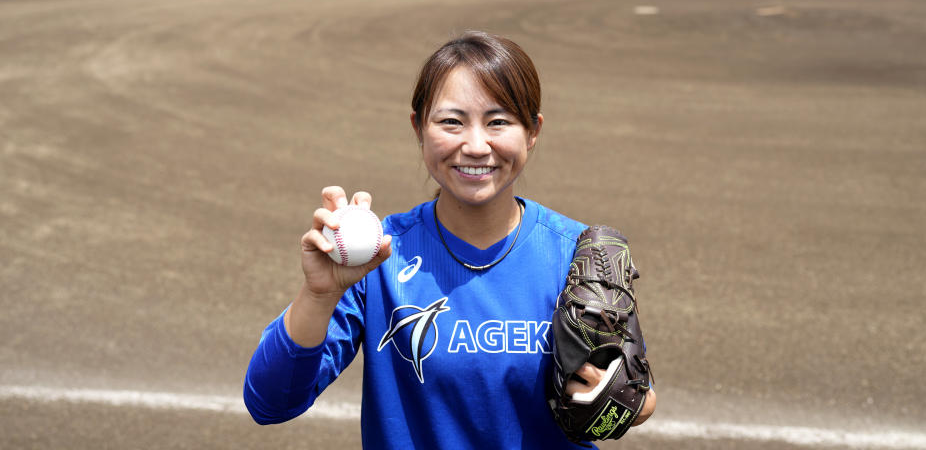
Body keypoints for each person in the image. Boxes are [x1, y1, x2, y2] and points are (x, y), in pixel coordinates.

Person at [243, 31, 655, 449]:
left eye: (499, 122)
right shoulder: (377, 261)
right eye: (451, 122)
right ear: (419, 127)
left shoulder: (575, 254)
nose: (476, 146)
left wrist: (624, 398)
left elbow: (634, 395)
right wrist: (318, 295)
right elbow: (269, 403)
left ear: (532, 131)